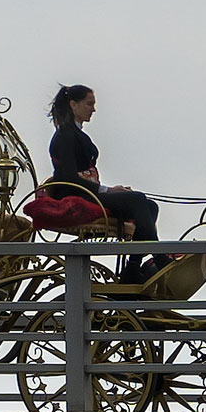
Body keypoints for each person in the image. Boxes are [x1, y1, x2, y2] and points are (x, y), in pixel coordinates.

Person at [47, 84, 165, 283]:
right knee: (137, 200)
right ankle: (160, 259)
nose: (93, 109)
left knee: (150, 206)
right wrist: (108, 190)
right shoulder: (65, 135)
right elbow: (68, 177)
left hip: (86, 192)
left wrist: (109, 191)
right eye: (89, 103)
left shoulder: (74, 133)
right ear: (73, 105)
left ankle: (133, 267)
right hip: (73, 194)